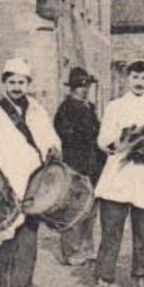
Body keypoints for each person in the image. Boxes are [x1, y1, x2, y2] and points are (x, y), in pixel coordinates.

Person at [82, 59, 144, 287]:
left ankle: (141, 282)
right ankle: (101, 282)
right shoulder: (115, 106)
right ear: (127, 78)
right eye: (135, 77)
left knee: (143, 233)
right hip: (118, 178)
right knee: (110, 232)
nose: (139, 82)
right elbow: (103, 139)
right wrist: (120, 141)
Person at [0, 57, 62, 287]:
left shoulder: (38, 110)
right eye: (12, 81)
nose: (16, 86)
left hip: (33, 188)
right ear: (4, 83)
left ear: (28, 84)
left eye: (21, 82)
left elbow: (50, 138)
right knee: (2, 245)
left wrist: (53, 148)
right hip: (5, 187)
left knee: (27, 246)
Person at [53, 67, 103, 267]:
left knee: (90, 209)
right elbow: (64, 134)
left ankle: (87, 248)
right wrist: (85, 136)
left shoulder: (89, 107)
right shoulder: (65, 109)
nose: (83, 90)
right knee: (73, 209)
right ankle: (71, 251)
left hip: (92, 164)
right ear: (71, 89)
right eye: (78, 87)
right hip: (74, 163)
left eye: (86, 86)